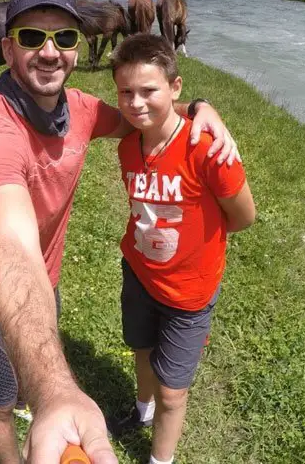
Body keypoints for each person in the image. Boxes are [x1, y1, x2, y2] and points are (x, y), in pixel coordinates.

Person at [0, 0, 241, 464]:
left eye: (63, 39)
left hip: (47, 277)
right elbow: (11, 245)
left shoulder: (78, 109)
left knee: (25, 368)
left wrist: (203, 109)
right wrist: (58, 392)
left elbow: (149, 116)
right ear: (8, 48)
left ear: (77, 50)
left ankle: (28, 394)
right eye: (32, 36)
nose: (49, 51)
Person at [105, 34, 256, 464]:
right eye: (126, 92)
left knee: (174, 389)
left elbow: (244, 216)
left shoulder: (207, 148)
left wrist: (197, 244)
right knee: (141, 350)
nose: (135, 103)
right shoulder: (127, 147)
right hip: (138, 270)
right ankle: (141, 412)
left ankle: (160, 459)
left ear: (175, 88)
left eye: (148, 90)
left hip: (189, 292)